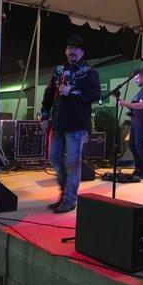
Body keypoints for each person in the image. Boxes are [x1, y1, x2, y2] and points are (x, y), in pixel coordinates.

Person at [40, 34, 101, 213]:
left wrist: (71, 92)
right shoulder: (58, 70)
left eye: (76, 47)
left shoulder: (90, 72)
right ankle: (64, 193)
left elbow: (96, 95)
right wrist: (44, 115)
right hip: (57, 124)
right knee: (54, 158)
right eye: (69, 47)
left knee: (73, 162)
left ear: (82, 52)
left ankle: (69, 199)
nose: (72, 50)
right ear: (65, 51)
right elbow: (49, 93)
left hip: (77, 125)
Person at [117, 69, 143, 179]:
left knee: (139, 146)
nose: (135, 81)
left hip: (142, 122)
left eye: (136, 79)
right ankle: (138, 168)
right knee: (133, 146)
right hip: (136, 122)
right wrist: (121, 100)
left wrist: (124, 103)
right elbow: (134, 106)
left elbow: (141, 106)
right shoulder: (141, 91)